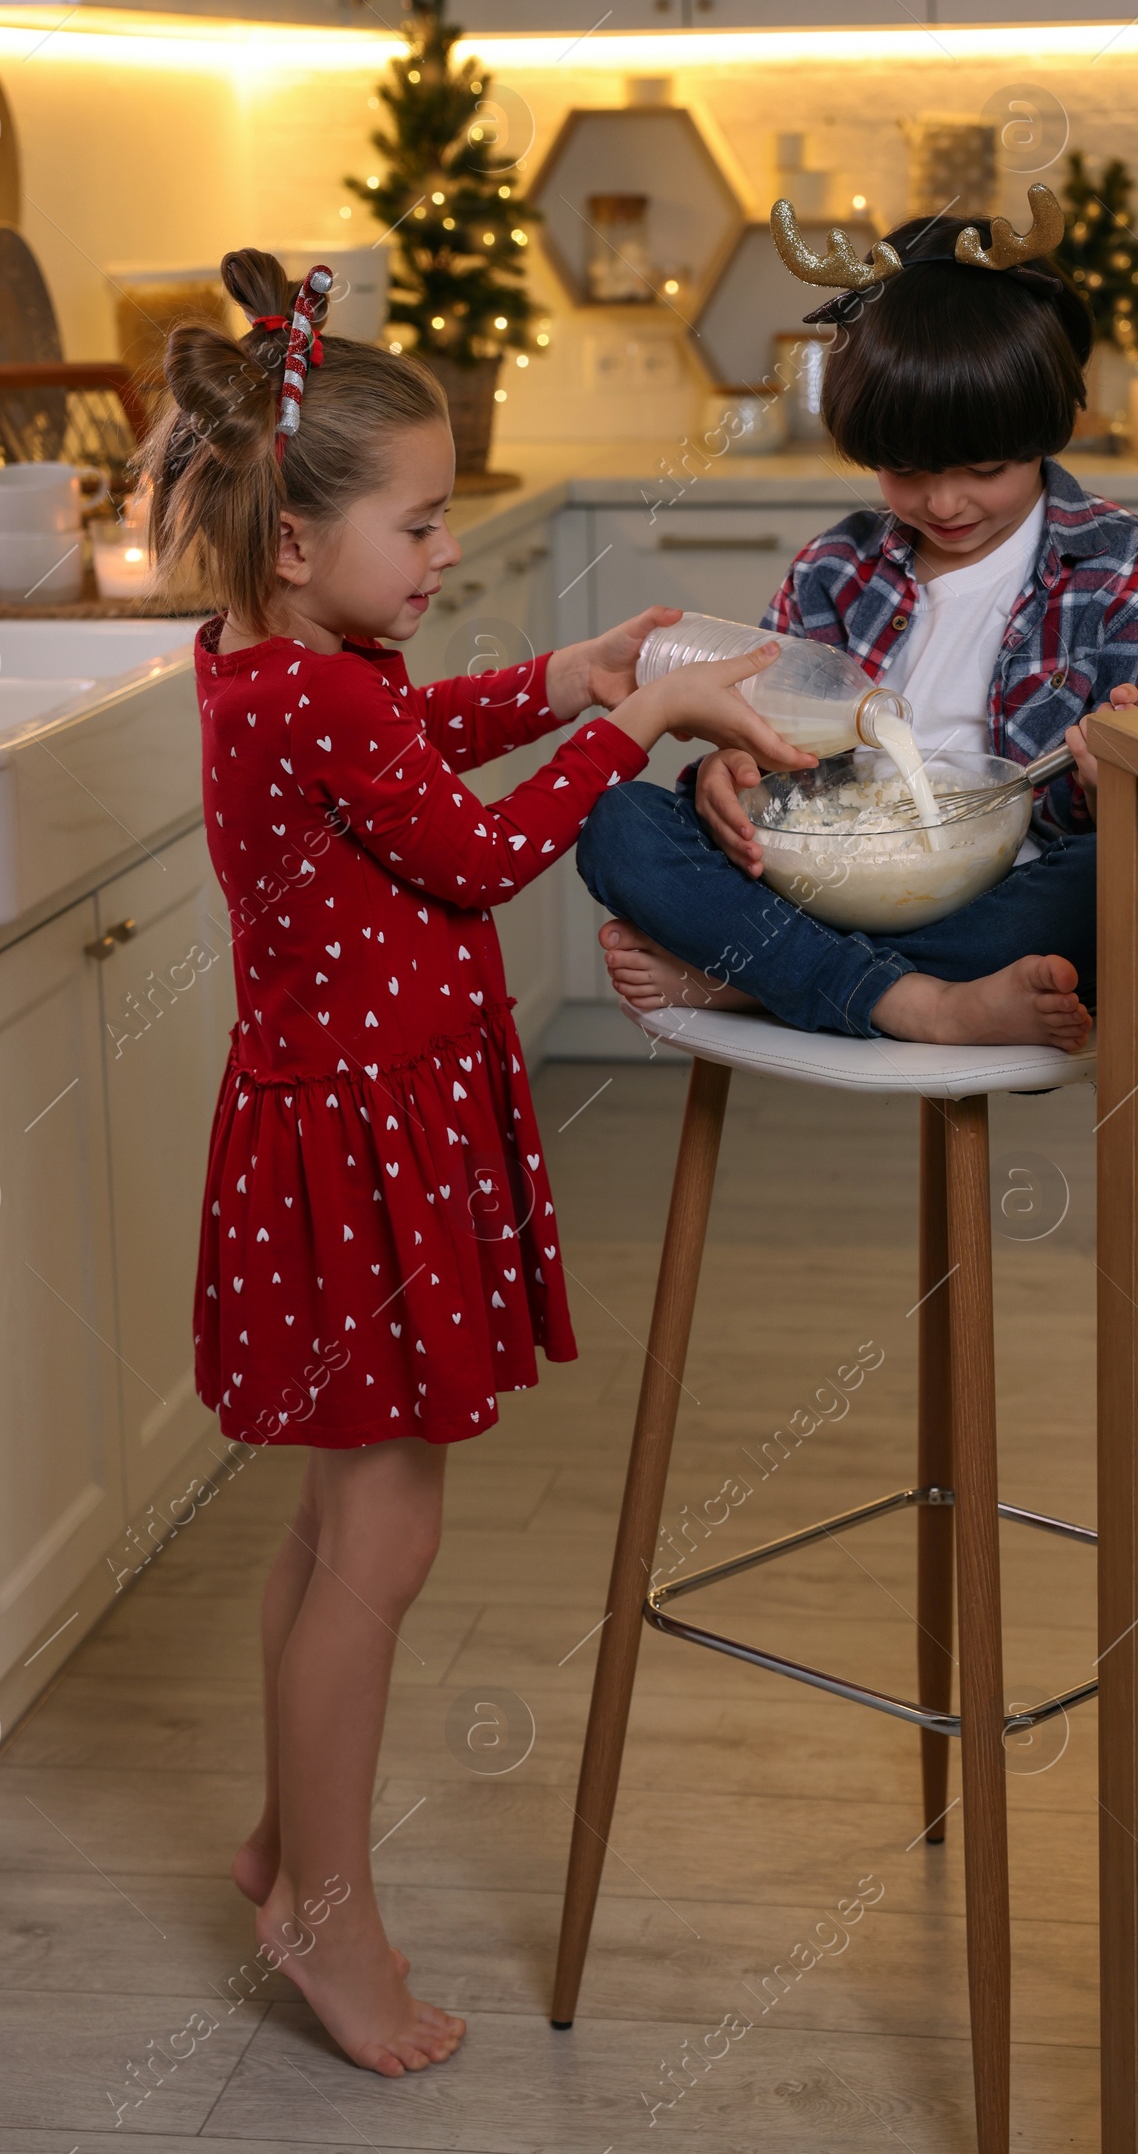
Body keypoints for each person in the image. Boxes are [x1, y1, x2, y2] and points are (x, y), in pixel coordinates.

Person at [145, 251, 808, 2080]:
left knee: (337, 1519)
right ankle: (326, 1923)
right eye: (423, 523)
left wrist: (561, 671)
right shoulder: (315, 692)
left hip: (352, 1129)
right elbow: (478, 852)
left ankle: (292, 1846)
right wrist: (633, 720)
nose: (444, 551)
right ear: (299, 536)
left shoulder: (283, 665)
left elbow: (408, 751)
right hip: (357, 1151)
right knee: (389, 1528)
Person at [578, 203, 1138, 1049]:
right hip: (822, 876)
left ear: (1049, 430)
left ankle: (757, 977)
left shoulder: (1127, 571)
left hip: (1006, 884)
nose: (944, 504)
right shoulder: (836, 569)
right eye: (906, 473)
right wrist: (732, 770)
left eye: (985, 470)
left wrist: (1119, 774)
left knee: (1113, 883)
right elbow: (758, 741)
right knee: (619, 822)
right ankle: (916, 1002)